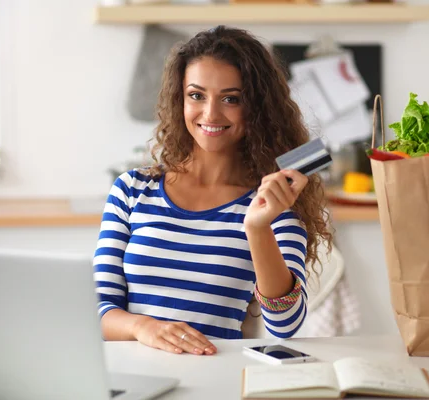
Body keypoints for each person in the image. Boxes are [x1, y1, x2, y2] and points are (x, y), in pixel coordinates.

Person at [93, 26, 332, 356]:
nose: (210, 114)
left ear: (256, 108)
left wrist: (257, 227)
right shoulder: (132, 190)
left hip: (216, 377)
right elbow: (98, 309)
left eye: (231, 99)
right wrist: (143, 327)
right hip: (132, 376)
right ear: (181, 99)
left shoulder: (273, 206)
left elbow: (285, 325)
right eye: (197, 95)